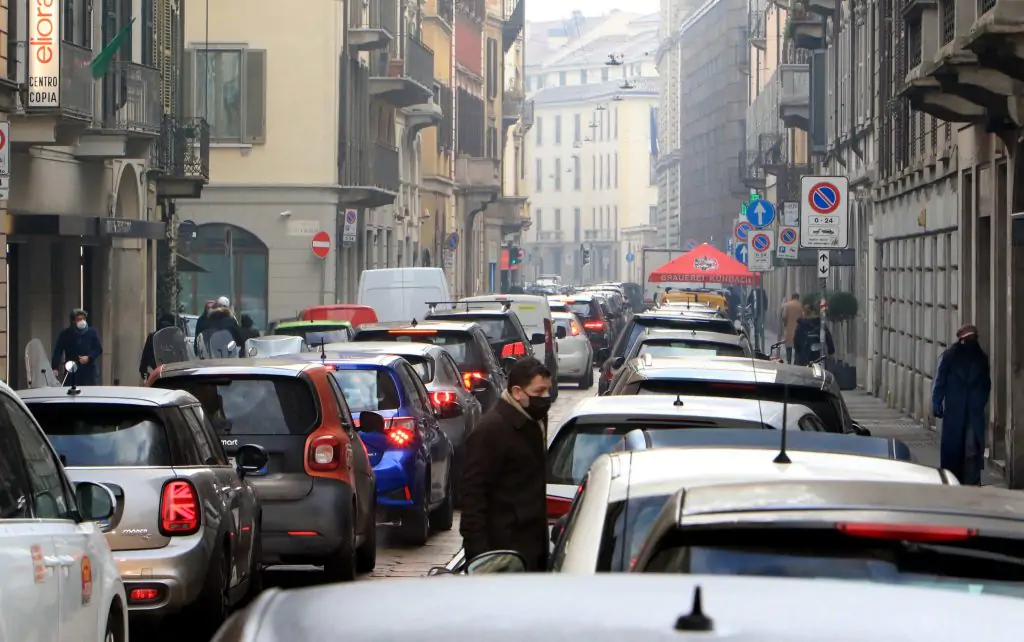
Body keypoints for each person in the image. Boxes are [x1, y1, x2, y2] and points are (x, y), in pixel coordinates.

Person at [460, 357, 552, 572]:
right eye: (539, 392)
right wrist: (479, 555)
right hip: (503, 551)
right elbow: (473, 493)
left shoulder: (534, 419)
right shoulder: (491, 431)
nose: (546, 398)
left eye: (548, 391)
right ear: (518, 392)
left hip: (532, 546)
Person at [932, 324, 991, 485]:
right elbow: (940, 382)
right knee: (954, 450)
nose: (970, 342)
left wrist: (979, 401)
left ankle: (971, 482)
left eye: (973, 339)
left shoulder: (981, 359)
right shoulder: (949, 357)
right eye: (967, 339)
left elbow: (986, 384)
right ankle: (953, 480)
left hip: (973, 412)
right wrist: (936, 403)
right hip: (955, 411)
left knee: (972, 448)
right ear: (961, 340)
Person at [51, 309, 103, 385]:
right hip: (72, 369)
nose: (82, 321)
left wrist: (89, 357)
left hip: (89, 371)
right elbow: (58, 351)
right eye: (79, 319)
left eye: (84, 319)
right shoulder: (65, 334)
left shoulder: (92, 332)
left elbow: (98, 349)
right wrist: (55, 367)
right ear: (73, 321)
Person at [139, 313, 177, 380]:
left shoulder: (153, 336)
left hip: (161, 371)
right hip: (168, 372)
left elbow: (145, 355)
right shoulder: (175, 337)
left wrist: (143, 369)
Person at [781, 293, 805, 363]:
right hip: (799, 330)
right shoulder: (801, 306)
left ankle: (789, 361)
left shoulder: (787, 305)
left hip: (789, 329)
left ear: (792, 297)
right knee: (797, 347)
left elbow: (784, 316)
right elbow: (804, 317)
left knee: (789, 347)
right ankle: (796, 361)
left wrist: (785, 323)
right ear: (798, 298)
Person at [746, 286, 768, 352]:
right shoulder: (763, 292)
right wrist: (765, 309)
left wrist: (750, 306)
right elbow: (766, 302)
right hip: (761, 311)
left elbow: (748, 300)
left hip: (755, 311)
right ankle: (761, 332)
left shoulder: (753, 292)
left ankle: (757, 332)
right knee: (761, 323)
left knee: (756, 323)